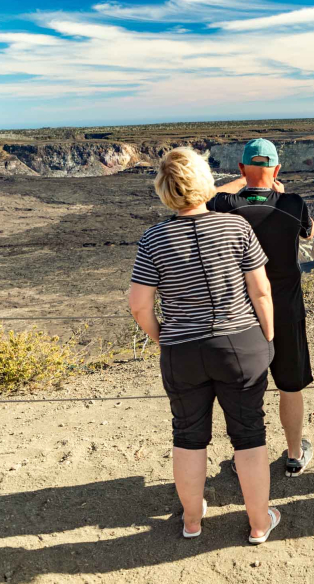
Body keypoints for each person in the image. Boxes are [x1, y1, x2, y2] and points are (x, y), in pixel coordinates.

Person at [128, 147, 281, 544]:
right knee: (249, 435)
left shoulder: (153, 239)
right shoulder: (235, 228)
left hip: (183, 351)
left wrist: (163, 336)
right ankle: (259, 523)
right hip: (240, 344)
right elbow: (261, 291)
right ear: (204, 182)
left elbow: (139, 304)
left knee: (188, 435)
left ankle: (192, 521)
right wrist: (267, 337)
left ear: (165, 190)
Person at [209, 138, 314, 477]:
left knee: (244, 390)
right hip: (285, 309)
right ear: (277, 169)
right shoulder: (293, 202)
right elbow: (308, 234)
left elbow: (197, 196)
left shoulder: (223, 204)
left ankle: (246, 458)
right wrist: (274, 189)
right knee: (290, 384)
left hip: (238, 313)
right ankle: (295, 453)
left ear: (241, 168)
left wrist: (245, 182)